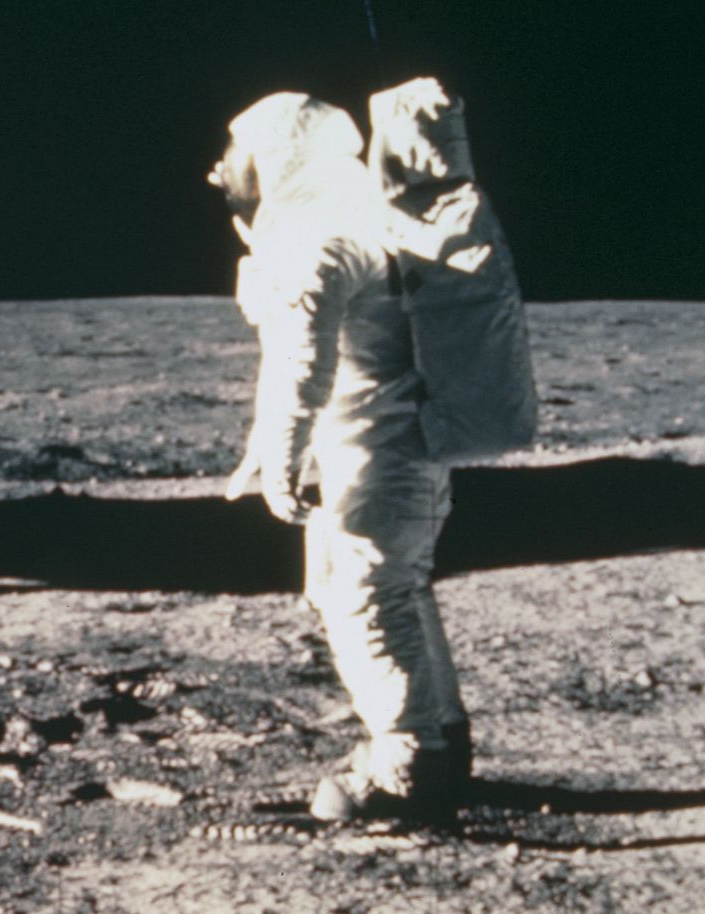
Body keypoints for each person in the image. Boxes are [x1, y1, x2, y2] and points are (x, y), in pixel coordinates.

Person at [212, 92, 471, 821]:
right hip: (382, 452)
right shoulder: (342, 224)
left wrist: (283, 456)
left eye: (231, 154)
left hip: (380, 455)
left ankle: (408, 769)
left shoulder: (326, 240)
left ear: (277, 158)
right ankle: (442, 742)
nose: (216, 170)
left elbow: (302, 360)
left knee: (369, 601)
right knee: (381, 590)